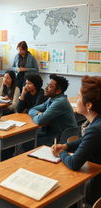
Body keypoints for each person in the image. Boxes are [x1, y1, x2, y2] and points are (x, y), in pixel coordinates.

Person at [52, 76, 101, 206]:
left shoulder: (95, 129)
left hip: (97, 187)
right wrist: (65, 146)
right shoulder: (96, 124)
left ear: (89, 105)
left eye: (79, 97)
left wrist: (60, 153)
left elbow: (74, 163)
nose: (76, 100)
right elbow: (85, 140)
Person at [28, 74, 77, 146]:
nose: (46, 88)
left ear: (58, 91)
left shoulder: (60, 102)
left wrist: (39, 116)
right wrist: (38, 113)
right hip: (54, 132)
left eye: (50, 86)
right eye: (47, 85)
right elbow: (32, 109)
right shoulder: (51, 99)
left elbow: (39, 120)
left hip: (63, 137)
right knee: (31, 138)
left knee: (30, 142)